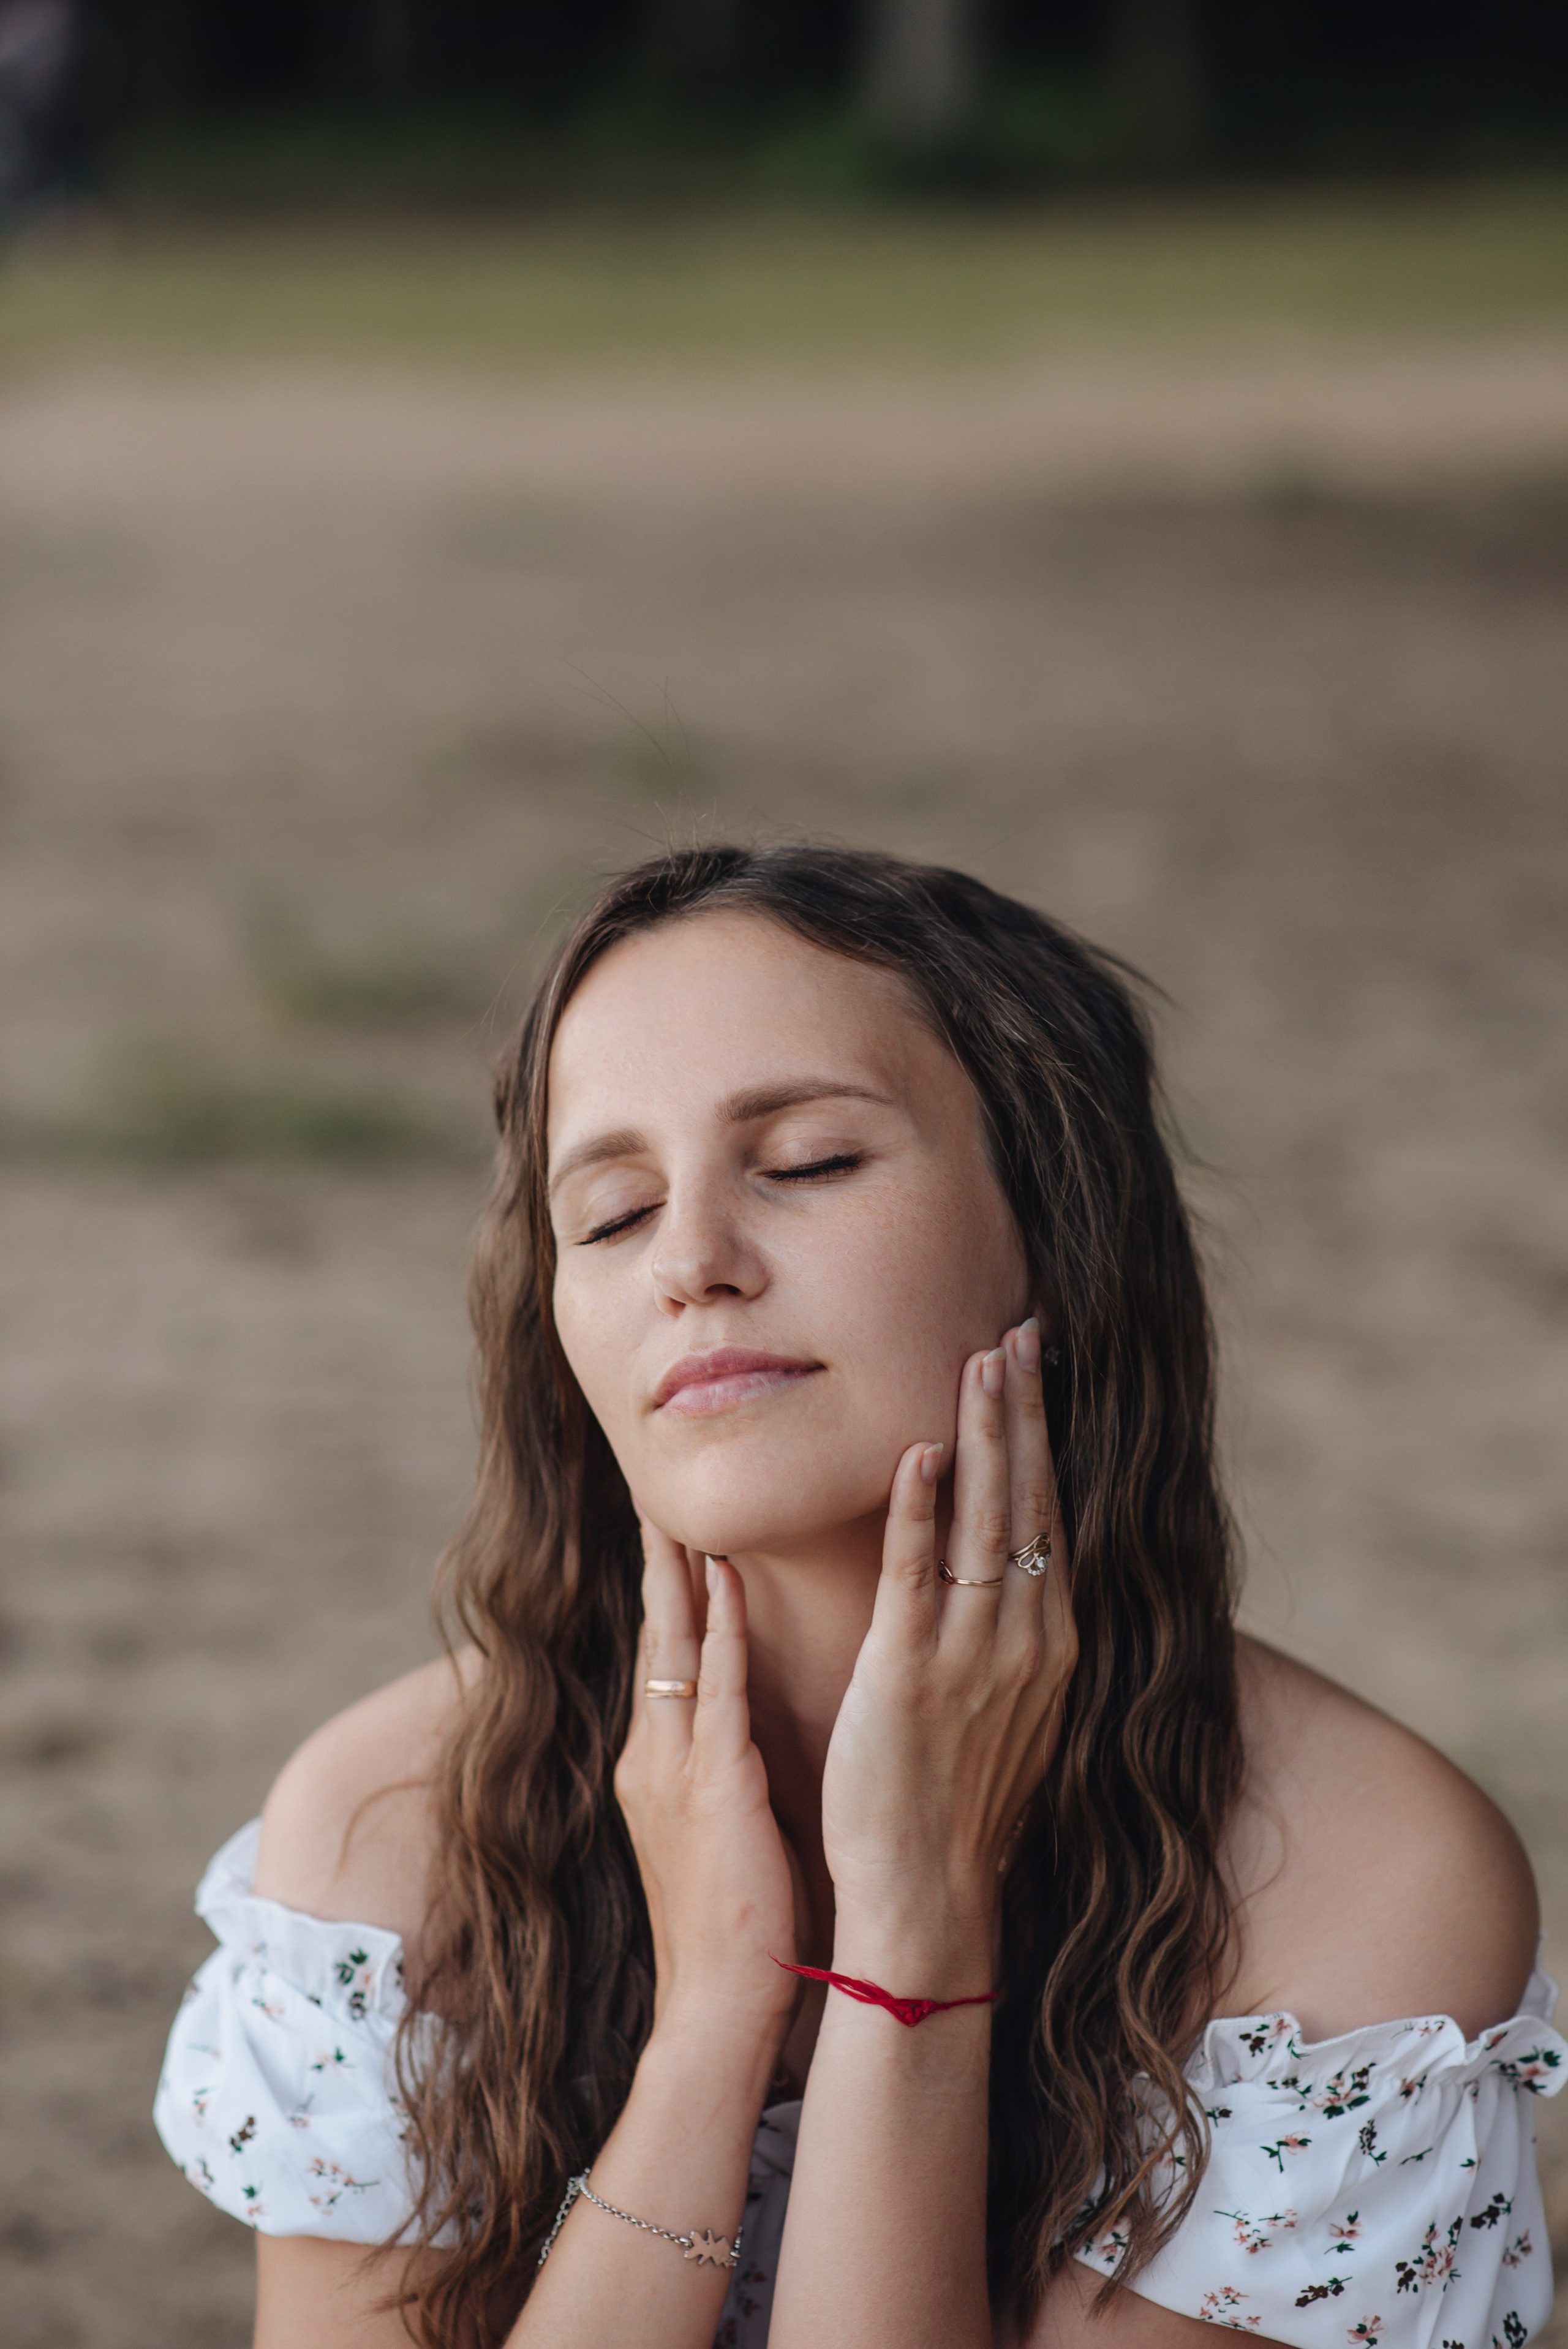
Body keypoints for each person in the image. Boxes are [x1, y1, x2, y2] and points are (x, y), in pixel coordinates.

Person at [155, 843, 1563, 2348]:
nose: (689, 1261)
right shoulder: (393, 1828)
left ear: (1055, 1226)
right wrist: (707, 2032)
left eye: (810, 1161)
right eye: (614, 1210)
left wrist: (914, 1946)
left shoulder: (1352, 1885)